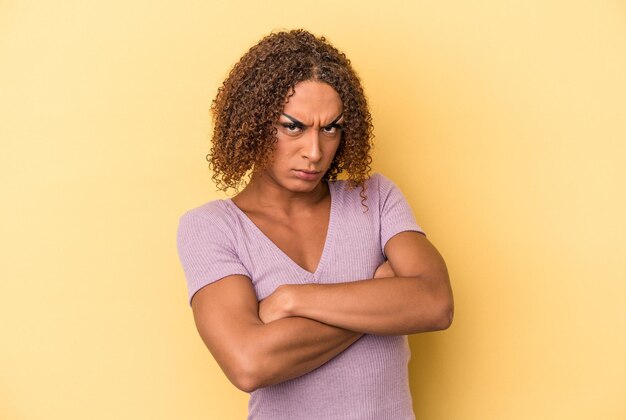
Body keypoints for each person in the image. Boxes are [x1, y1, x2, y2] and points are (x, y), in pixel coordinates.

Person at [177, 29, 453, 420]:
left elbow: (435, 303)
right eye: (293, 126)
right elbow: (249, 363)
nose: (314, 151)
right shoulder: (212, 228)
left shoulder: (373, 197)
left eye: (330, 128)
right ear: (253, 123)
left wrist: (294, 299)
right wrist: (382, 298)